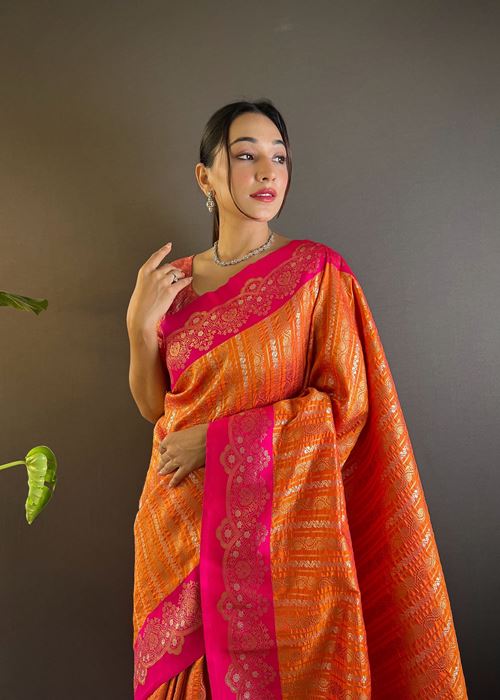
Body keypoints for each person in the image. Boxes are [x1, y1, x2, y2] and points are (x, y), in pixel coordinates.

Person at [126, 99, 468, 699]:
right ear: (205, 176)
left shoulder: (315, 274)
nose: (267, 171)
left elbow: (345, 408)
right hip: (176, 525)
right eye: (246, 156)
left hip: (279, 534)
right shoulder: (169, 285)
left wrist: (218, 443)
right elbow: (157, 407)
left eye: (279, 158)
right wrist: (138, 325)